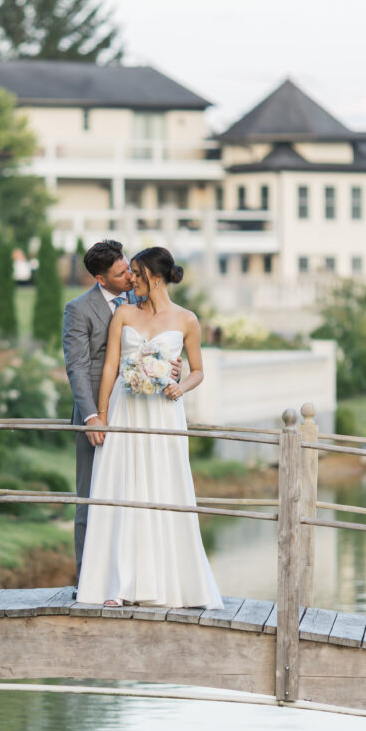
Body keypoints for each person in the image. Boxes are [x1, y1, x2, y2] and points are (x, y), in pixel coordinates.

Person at [76, 246, 223, 609]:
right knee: (122, 489)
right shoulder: (124, 313)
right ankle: (118, 584)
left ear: (154, 278)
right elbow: (110, 366)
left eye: (137, 275)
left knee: (162, 490)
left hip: (162, 414)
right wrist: (102, 414)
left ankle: (169, 585)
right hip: (127, 413)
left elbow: (198, 370)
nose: (131, 281)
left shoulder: (187, 319)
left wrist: (180, 385)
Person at [62, 240, 138, 581]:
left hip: (137, 408)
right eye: (121, 273)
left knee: (135, 493)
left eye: (128, 268)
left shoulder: (140, 298)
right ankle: (87, 581)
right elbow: (77, 366)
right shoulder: (78, 309)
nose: (129, 276)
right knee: (90, 498)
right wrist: (92, 415)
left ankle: (131, 577)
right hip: (97, 414)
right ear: (100, 279)